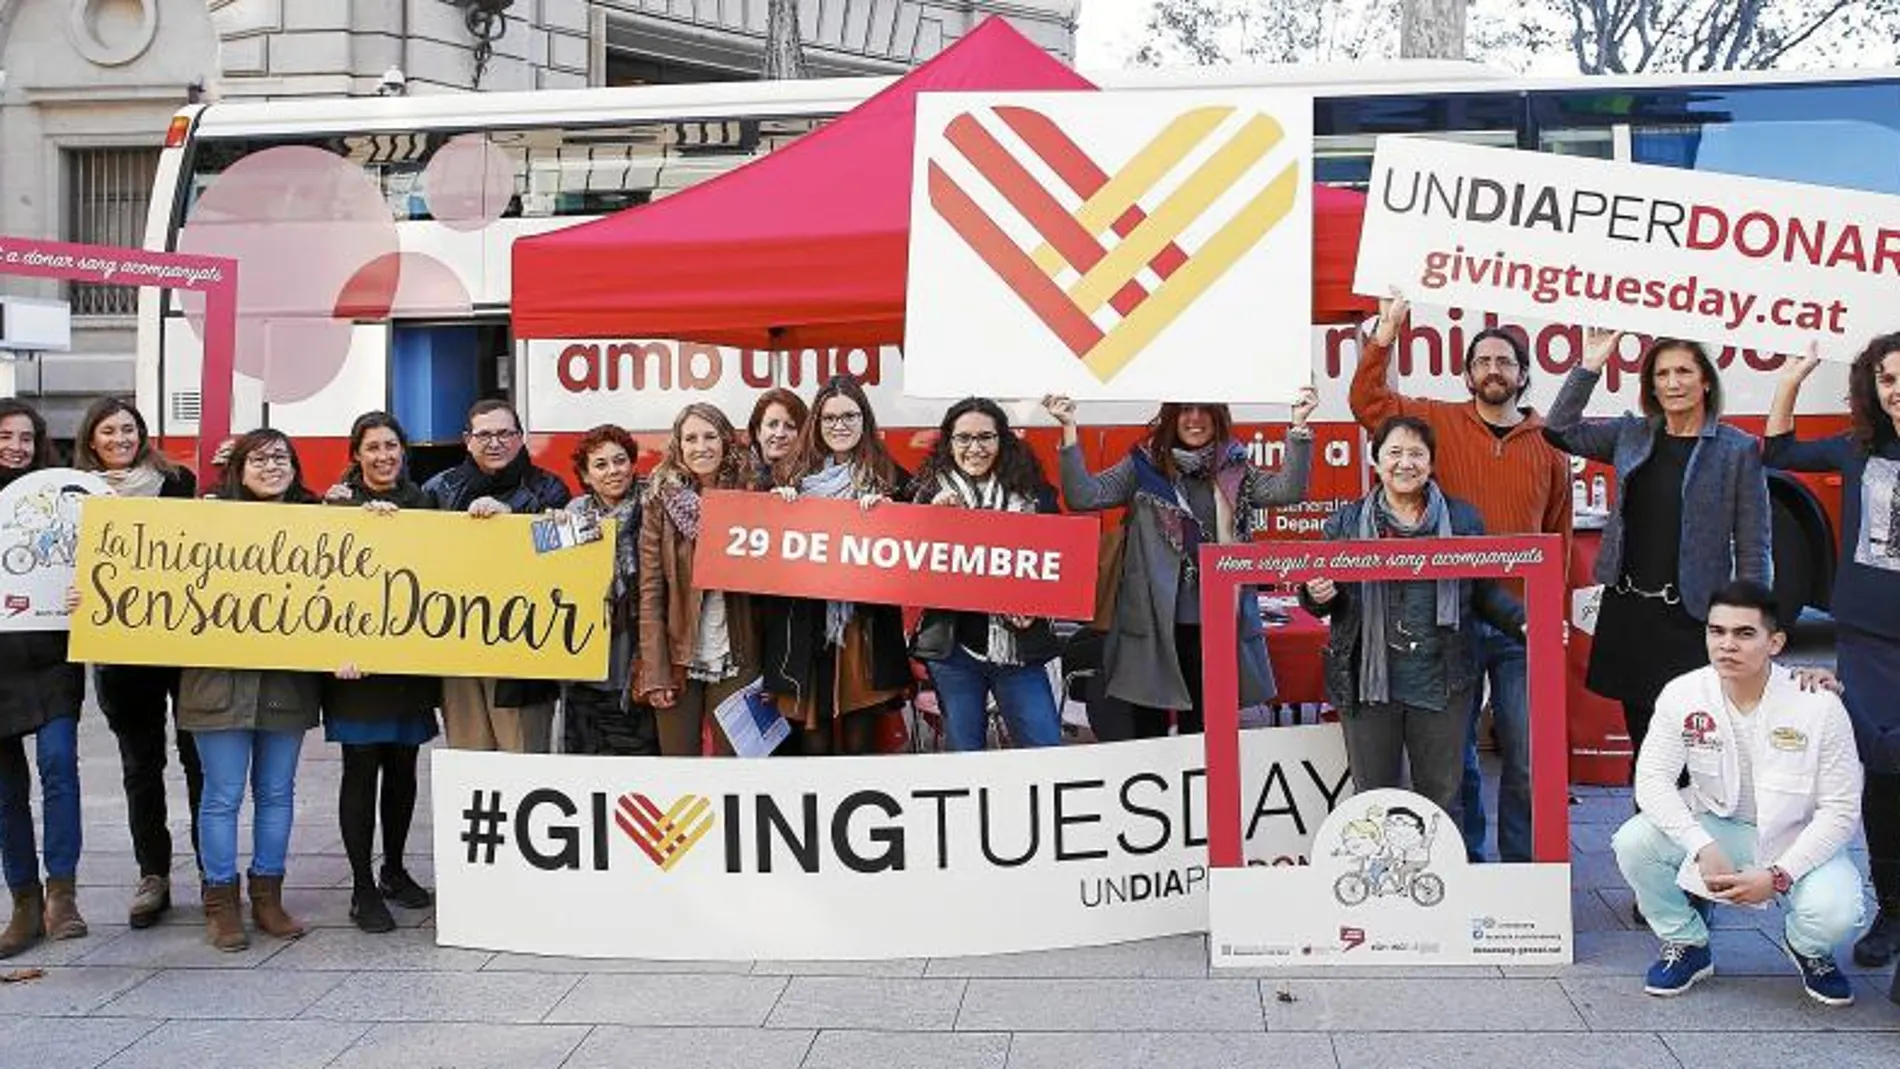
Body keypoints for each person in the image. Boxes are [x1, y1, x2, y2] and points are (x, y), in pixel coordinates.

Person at [1350, 295, 1572, 864]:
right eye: (1482, 362)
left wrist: (1554, 610)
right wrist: (1388, 331)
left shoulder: (1550, 443)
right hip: (1454, 619)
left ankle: (1524, 872)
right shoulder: (1440, 422)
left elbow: (1559, 534)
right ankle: (1465, 864)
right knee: (1459, 758)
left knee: (1525, 755)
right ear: (1467, 373)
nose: (1492, 370)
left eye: (1505, 362)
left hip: (1523, 624)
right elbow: (1368, 402)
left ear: (1524, 375)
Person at [1611, 581, 1863, 1006]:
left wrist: (1779, 875)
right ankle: (1688, 943)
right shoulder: (1683, 693)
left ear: (1775, 642)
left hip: (1797, 837)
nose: (1727, 645)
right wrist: (1701, 845)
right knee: (1633, 842)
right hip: (1719, 826)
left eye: (1744, 634)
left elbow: (1840, 811)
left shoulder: (1817, 704)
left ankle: (1808, 948)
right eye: (1717, 631)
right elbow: (1652, 780)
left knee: (1837, 912)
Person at [1544, 331, 1771, 780]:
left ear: (1706, 381)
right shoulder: (1632, 433)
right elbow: (1559, 430)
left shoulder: (1736, 449)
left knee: (1696, 750)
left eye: (1684, 371)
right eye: (1662, 373)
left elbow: (1754, 543)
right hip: (1632, 614)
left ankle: (1696, 846)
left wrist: (1756, 624)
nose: (1673, 383)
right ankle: (1647, 847)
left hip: (1691, 619)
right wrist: (1589, 365)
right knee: (1646, 749)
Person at [1046, 390, 1315, 737]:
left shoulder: (1234, 467)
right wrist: (1068, 429)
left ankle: (1204, 791)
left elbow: (1287, 491)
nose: (1195, 418)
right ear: (1171, 417)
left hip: (1214, 623)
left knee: (1205, 731)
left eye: (1205, 409)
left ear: (1218, 417)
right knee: (1148, 730)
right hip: (1151, 623)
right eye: (1185, 409)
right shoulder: (1143, 466)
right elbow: (1084, 496)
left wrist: (1299, 426)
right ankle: (1157, 791)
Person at [1301, 416, 1525, 821]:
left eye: (1417, 454)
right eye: (1395, 453)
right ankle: (1383, 884)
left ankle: (1445, 882)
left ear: (1431, 462)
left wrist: (1526, 622)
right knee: (1373, 800)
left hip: (1441, 680)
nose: (1406, 463)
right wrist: (1318, 594)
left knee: (1442, 797)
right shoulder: (1344, 523)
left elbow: (1485, 593)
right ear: (1376, 460)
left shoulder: (1463, 521)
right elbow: (1321, 599)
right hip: (1369, 684)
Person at [1764, 337, 1900, 967]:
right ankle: (1891, 911)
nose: (1895, 389)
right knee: (1882, 773)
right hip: (1870, 638)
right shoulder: (1858, 449)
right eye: (1887, 380)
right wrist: (1792, 378)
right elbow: (1781, 451)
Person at [180, 429, 323, 952]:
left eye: (281, 458)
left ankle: (267, 895)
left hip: (284, 684)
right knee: (220, 796)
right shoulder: (204, 521)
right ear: (237, 468)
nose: (271, 467)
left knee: (276, 793)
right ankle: (220, 904)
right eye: (258, 459)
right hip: (215, 682)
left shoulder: (318, 523)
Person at [71, 397, 205, 927]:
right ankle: (154, 875)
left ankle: (213, 875)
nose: (121, 438)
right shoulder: (76, 493)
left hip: (182, 645)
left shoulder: (178, 482)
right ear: (92, 439)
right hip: (121, 654)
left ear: (142, 434)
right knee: (141, 768)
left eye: (129, 429)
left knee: (200, 763)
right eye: (110, 431)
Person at [320, 412, 440, 934]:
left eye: (391, 446)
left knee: (404, 768)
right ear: (356, 455)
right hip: (355, 666)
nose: (383, 456)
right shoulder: (336, 504)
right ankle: (361, 887)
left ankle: (393, 868)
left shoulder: (426, 503)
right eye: (372, 448)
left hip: (407, 663)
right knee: (361, 768)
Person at [763, 376, 911, 755]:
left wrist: (896, 516)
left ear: (865, 419)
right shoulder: (788, 476)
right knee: (814, 744)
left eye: (849, 415)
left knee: (862, 741)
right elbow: (761, 551)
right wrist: (774, 507)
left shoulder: (891, 478)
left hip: (863, 632)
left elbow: (924, 531)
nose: (839, 425)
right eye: (829, 418)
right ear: (817, 422)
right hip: (808, 630)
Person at [910, 398, 1064, 751]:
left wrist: (1037, 604)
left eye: (985, 437)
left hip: (1019, 648)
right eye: (963, 438)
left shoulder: (1034, 494)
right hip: (954, 652)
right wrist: (929, 518)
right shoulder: (929, 491)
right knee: (967, 758)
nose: (974, 448)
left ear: (1002, 440)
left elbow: (1059, 562)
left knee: (1044, 749)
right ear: (949, 443)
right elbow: (905, 558)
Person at [422, 399, 571, 753]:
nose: (495, 442)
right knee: (469, 762)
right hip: (458, 648)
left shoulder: (550, 490)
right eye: (485, 434)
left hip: (524, 651)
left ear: (521, 438)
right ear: (467, 439)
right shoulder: (437, 490)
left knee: (523, 763)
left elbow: (568, 564)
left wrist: (515, 522)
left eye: (505, 433)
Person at [0, 400, 87, 960]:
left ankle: (63, 893)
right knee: (6, 793)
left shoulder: (60, 498)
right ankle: (24, 902)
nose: (15, 447)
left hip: (53, 656)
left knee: (58, 766)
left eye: (26, 438)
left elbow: (108, 557)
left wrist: (91, 595)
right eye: (5, 436)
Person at [639, 404, 760, 756]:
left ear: (725, 440)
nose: (701, 446)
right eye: (690, 438)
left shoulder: (752, 496)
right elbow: (650, 593)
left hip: (739, 654)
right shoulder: (659, 501)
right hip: (679, 659)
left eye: (709, 436)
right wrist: (656, 671)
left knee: (737, 769)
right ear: (678, 445)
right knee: (681, 773)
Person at [561, 424, 656, 756]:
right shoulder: (573, 515)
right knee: (585, 771)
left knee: (640, 771)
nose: (613, 470)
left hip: (640, 665)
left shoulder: (655, 504)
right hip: (585, 668)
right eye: (600, 464)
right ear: (586, 476)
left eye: (620, 460)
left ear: (632, 464)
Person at [747, 387, 808, 483]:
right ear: (758, 432)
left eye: (790, 426)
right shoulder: (737, 475)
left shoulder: (815, 479)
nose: (780, 434)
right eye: (772, 425)